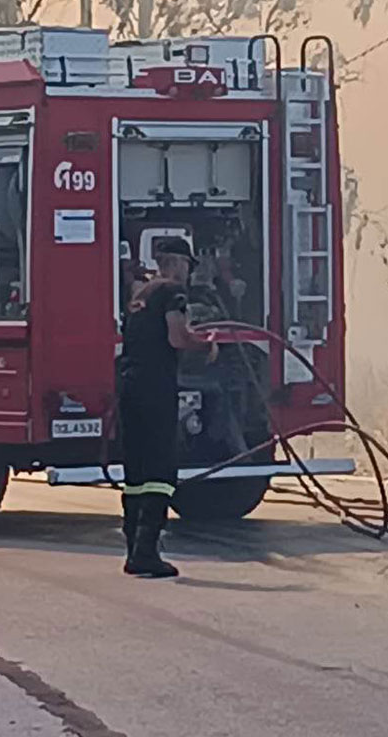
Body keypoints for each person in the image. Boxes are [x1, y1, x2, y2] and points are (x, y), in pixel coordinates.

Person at [118, 236, 216, 578]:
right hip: (155, 389)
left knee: (136, 473)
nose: (188, 273)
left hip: (129, 386)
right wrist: (206, 346)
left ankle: (134, 548)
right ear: (177, 263)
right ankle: (146, 553)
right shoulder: (173, 292)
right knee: (160, 472)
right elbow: (177, 337)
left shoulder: (139, 295)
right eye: (187, 265)